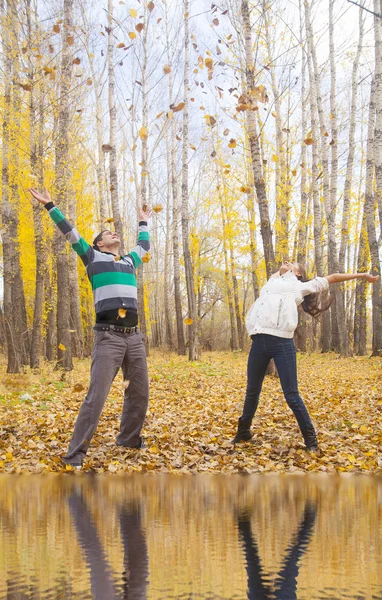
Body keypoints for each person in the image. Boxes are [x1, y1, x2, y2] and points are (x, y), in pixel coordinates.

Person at [29, 187, 151, 468]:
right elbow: (71, 234)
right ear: (99, 245)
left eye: (114, 232)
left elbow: (144, 247)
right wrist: (50, 205)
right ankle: (75, 454)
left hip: (134, 338)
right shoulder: (93, 259)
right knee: (97, 396)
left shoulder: (129, 262)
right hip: (108, 338)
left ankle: (129, 438)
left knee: (140, 392)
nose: (113, 234)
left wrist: (143, 221)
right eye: (107, 234)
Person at [232, 262, 378, 451]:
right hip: (258, 343)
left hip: (281, 344)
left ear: (298, 273)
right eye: (284, 262)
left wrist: (361, 274)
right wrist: (283, 269)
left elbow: (332, 277)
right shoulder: (271, 282)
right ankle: (243, 431)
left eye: (291, 263)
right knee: (252, 391)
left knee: (291, 395)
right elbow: (279, 273)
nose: (285, 262)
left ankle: (311, 440)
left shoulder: (299, 287)